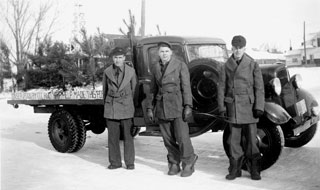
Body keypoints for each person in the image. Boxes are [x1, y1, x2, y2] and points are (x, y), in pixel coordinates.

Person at [146, 41, 198, 177]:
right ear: (158, 53)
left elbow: (186, 87)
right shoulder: (155, 67)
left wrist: (188, 106)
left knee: (182, 137)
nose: (164, 54)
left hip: (177, 105)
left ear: (171, 52)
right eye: (162, 51)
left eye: (166, 51)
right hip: (162, 105)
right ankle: (174, 162)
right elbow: (152, 89)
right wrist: (150, 108)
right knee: (167, 138)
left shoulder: (180, 65)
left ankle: (188, 162)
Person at [217, 35, 265, 180]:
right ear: (231, 48)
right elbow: (221, 88)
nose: (237, 51)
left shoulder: (252, 64)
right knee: (234, 140)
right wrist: (222, 108)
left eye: (240, 48)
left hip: (249, 107)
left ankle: (254, 169)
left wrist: (259, 106)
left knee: (251, 140)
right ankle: (235, 169)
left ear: (245, 48)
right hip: (233, 108)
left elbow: (259, 88)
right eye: (235, 48)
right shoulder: (226, 65)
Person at [103, 47, 137, 170]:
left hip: (126, 107)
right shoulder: (107, 72)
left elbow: (134, 91)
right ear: (113, 59)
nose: (118, 60)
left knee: (128, 137)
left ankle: (130, 162)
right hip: (111, 108)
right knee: (113, 138)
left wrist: (127, 102)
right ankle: (115, 162)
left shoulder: (131, 72)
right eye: (115, 58)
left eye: (120, 57)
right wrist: (107, 105)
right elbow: (104, 91)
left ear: (124, 58)